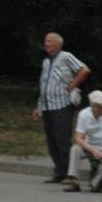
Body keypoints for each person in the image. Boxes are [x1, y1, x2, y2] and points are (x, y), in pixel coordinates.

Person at [33, 32, 91, 183]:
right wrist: (39, 106)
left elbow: (84, 70)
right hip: (47, 106)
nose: (47, 44)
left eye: (50, 41)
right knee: (52, 141)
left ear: (58, 44)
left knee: (62, 140)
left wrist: (74, 84)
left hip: (62, 105)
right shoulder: (46, 61)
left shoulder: (66, 56)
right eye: (46, 41)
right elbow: (43, 84)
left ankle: (67, 172)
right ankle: (59, 171)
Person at [63, 90, 102, 192]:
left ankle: (96, 183)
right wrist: (93, 151)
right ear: (93, 105)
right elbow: (79, 138)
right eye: (100, 107)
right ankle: (74, 181)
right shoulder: (83, 114)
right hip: (90, 144)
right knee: (75, 149)